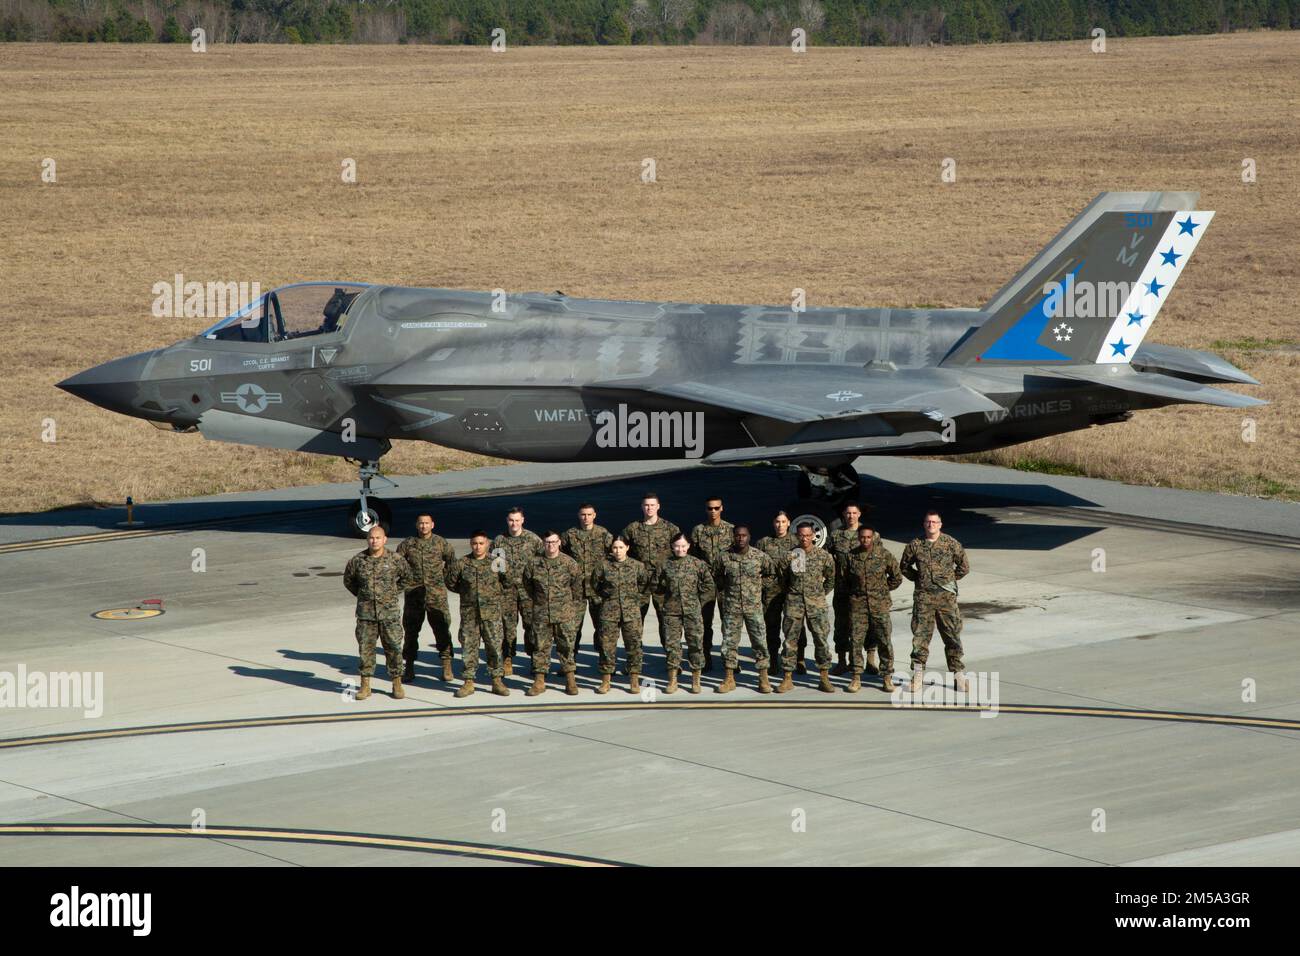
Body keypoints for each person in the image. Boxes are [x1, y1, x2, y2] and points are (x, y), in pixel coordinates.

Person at [899, 510, 970, 693]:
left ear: (940, 524)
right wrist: (919, 579)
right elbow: (905, 567)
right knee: (920, 638)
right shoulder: (915, 545)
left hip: (946, 598)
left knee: (952, 635)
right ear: (924, 524)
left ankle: (958, 674)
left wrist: (947, 580)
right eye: (928, 522)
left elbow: (964, 566)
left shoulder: (950, 543)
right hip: (924, 598)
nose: (931, 525)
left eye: (934, 522)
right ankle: (918, 675)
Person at [344, 525, 418, 700]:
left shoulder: (396, 559)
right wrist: (363, 595)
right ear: (367, 539)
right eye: (371, 538)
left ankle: (396, 683)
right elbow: (349, 580)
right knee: (366, 649)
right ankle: (365, 685)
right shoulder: (358, 560)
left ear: (384, 540)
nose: (374, 541)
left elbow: (407, 577)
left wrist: (392, 593)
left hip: (389, 614)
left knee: (393, 648)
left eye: (378, 538)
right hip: (366, 615)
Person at [445, 531, 511, 698]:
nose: (478, 546)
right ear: (470, 544)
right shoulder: (462, 563)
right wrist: (467, 594)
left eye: (481, 543)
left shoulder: (496, 562)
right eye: (475, 543)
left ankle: (497, 680)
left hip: (491, 614)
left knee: (494, 647)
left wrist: (493, 595)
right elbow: (451, 583)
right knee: (468, 648)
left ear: (487, 544)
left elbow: (508, 581)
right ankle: (468, 682)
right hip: (470, 614)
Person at [712, 525, 775, 693]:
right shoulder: (724, 557)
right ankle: (729, 678)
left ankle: (763, 678)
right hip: (732, 607)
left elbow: (771, 574)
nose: (741, 538)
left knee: (759, 642)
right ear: (733, 537)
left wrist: (759, 588)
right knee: (729, 643)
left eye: (744, 535)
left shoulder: (759, 556)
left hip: (753, 607)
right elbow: (716, 575)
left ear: (749, 537)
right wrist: (725, 589)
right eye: (738, 536)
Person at [396, 512, 457, 683]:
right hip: (414, 595)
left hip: (436, 595)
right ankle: (408, 666)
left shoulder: (440, 543)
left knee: (442, 630)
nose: (424, 526)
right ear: (417, 525)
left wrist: (443, 580)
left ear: (433, 525)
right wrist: (405, 582)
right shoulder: (407, 544)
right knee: (410, 632)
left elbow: (452, 562)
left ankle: (446, 665)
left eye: (427, 523)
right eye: (421, 523)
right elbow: (397, 565)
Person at [522, 531, 584, 696]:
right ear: (543, 543)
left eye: (554, 542)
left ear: (560, 543)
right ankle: (539, 681)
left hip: (564, 614)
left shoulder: (569, 563)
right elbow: (528, 586)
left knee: (566, 647)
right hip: (541, 614)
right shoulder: (534, 564)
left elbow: (577, 589)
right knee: (540, 647)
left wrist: (571, 610)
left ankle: (570, 680)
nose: (551, 545)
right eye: (548, 542)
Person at [776, 522, 836, 694]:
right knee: (790, 641)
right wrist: (792, 593)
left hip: (816, 604)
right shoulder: (791, 556)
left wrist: (819, 594)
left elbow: (831, 579)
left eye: (808, 535)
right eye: (801, 535)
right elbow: (782, 578)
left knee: (821, 640)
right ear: (796, 536)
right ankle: (787, 677)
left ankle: (824, 677)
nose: (805, 538)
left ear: (813, 536)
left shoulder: (824, 556)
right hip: (794, 603)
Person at [843, 525, 903, 693]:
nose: (865, 540)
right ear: (858, 538)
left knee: (884, 640)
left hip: (880, 605)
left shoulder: (884, 555)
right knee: (855, 641)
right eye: (862, 537)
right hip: (858, 606)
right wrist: (856, 595)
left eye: (868, 537)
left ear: (873, 538)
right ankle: (856, 677)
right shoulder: (851, 557)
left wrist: (882, 591)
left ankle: (886, 677)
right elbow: (845, 579)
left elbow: (896, 577)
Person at [655, 532, 716, 694]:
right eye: (676, 546)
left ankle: (696, 679)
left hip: (692, 611)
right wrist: (663, 605)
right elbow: (656, 587)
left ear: (688, 546)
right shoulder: (665, 564)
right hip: (671, 612)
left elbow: (709, 586)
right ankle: (673, 679)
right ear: (672, 547)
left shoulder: (697, 564)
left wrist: (698, 603)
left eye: (683, 546)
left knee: (695, 644)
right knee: (672, 645)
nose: (680, 549)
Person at [591, 536, 651, 694]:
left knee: (634, 646)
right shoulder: (603, 566)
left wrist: (637, 603)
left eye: (621, 547)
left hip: (631, 613)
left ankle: (634, 679)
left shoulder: (637, 566)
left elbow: (644, 586)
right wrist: (602, 602)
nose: (617, 551)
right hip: (609, 612)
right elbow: (594, 585)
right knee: (607, 647)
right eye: (615, 548)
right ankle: (606, 679)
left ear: (627, 548)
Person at [621, 493, 680, 651]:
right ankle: (634, 658)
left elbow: (681, 551)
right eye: (646, 505)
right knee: (635, 620)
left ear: (658, 506)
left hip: (663, 582)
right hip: (640, 583)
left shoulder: (670, 528)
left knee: (667, 619)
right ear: (642, 507)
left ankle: (671, 658)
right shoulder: (633, 528)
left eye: (652, 505)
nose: (649, 508)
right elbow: (620, 548)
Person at [492, 506, 543, 675]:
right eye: (511, 520)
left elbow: (542, 565)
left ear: (523, 520)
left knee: (531, 626)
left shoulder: (533, 540)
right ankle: (508, 658)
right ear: (507, 521)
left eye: (517, 520)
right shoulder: (499, 541)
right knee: (508, 627)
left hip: (528, 592)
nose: (514, 523)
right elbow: (495, 568)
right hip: (507, 592)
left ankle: (534, 659)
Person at [561, 504, 613, 658]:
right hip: (576, 590)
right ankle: (570, 662)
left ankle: (604, 660)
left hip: (598, 589)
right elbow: (561, 557)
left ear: (594, 515)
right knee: (572, 628)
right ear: (578, 515)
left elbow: (614, 555)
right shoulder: (570, 535)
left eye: (589, 514)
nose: (586, 518)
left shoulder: (603, 534)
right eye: (583, 514)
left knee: (603, 626)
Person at [755, 512, 804, 673]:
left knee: (796, 626)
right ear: (773, 523)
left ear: (789, 523)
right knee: (771, 625)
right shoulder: (764, 542)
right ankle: (773, 659)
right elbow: (757, 566)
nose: (780, 525)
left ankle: (799, 658)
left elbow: (800, 568)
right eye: (777, 522)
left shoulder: (797, 541)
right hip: (770, 591)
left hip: (791, 590)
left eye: (783, 522)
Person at [689, 497, 733, 671]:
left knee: (728, 621)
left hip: (725, 583)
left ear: (722, 508)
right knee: (704, 622)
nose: (713, 511)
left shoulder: (730, 529)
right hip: (705, 584)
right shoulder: (698, 531)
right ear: (706, 510)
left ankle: (730, 659)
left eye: (716, 508)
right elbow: (692, 557)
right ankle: (705, 657)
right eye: (710, 508)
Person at [825, 501, 866, 675]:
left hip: (861, 590)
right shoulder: (836, 535)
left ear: (859, 514)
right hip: (841, 589)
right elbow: (825, 556)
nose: (851, 516)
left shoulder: (868, 534)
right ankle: (842, 661)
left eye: (854, 513)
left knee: (863, 627)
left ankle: (867, 661)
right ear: (843, 515)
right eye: (848, 513)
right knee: (841, 626)